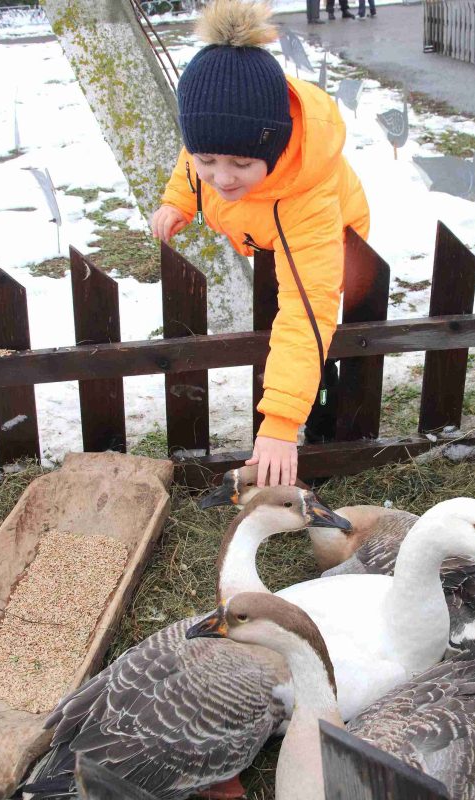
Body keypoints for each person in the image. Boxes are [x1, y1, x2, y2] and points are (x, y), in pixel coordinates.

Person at [152, 0, 369, 488]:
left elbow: (307, 311)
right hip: (263, 227)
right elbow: (190, 164)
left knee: (316, 324)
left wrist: (280, 421)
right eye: (209, 158)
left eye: (241, 164)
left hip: (329, 237)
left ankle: (321, 407)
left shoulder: (308, 201)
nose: (221, 178)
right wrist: (179, 202)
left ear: (272, 146)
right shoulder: (213, 155)